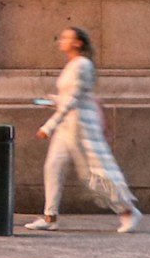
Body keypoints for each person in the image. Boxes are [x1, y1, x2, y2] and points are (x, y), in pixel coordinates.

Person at [23, 26, 140, 234]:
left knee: (95, 175)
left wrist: (48, 126)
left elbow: (74, 99)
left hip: (83, 128)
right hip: (67, 127)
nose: (61, 40)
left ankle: (128, 211)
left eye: (67, 37)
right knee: (53, 166)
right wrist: (52, 101)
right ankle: (50, 216)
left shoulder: (82, 65)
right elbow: (70, 97)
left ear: (78, 43)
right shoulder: (71, 66)